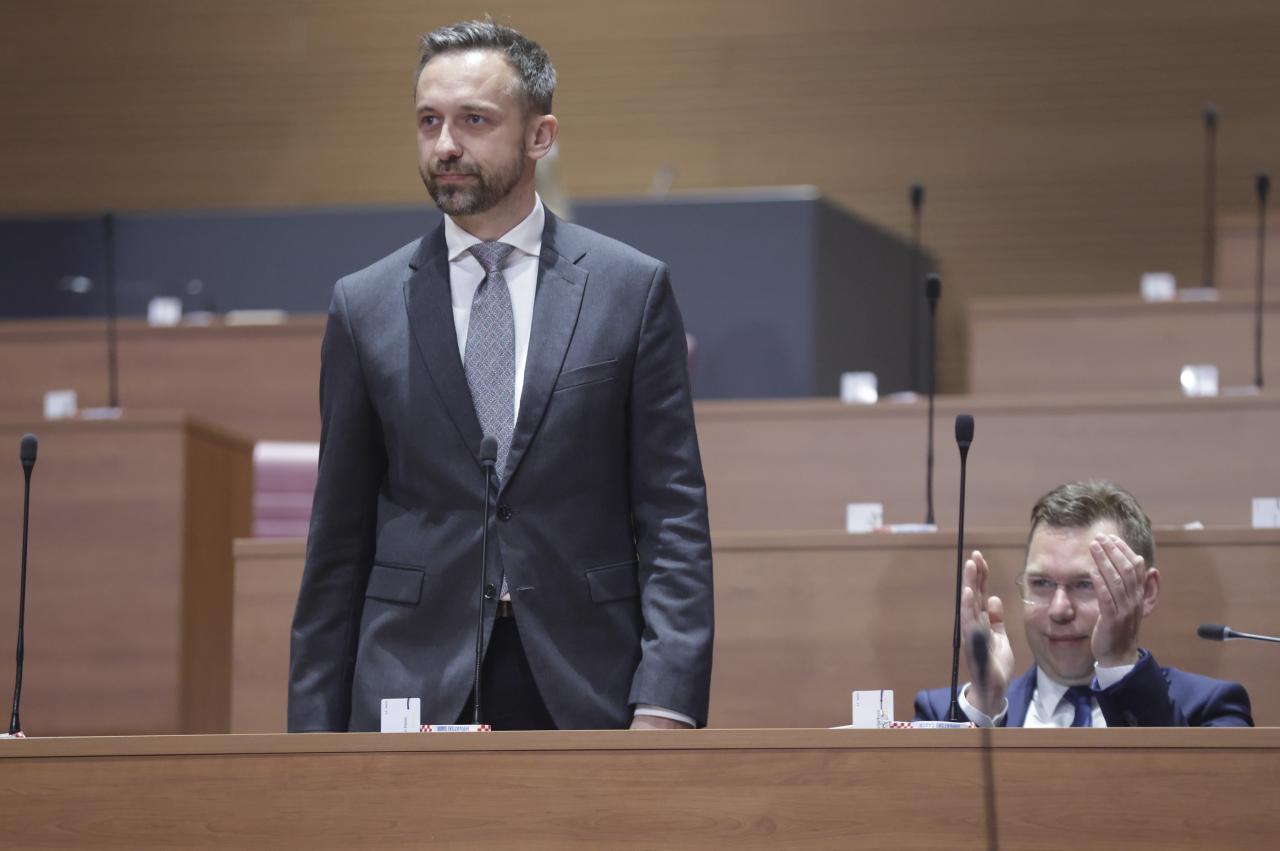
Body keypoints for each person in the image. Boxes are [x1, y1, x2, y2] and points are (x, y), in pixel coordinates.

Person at [288, 19, 714, 732]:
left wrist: (666, 699)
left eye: (474, 121)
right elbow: (337, 540)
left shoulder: (630, 290)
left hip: (586, 681)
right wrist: (312, 735)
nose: (445, 145)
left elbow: (673, 517)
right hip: (412, 679)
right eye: (429, 121)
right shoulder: (364, 305)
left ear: (540, 136)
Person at [915, 481, 1252, 727]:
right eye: (1042, 583)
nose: (1059, 610)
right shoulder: (944, 712)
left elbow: (1186, 796)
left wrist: (1118, 663)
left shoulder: (1211, 709)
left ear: (1146, 592)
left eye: (1085, 585)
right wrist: (985, 703)